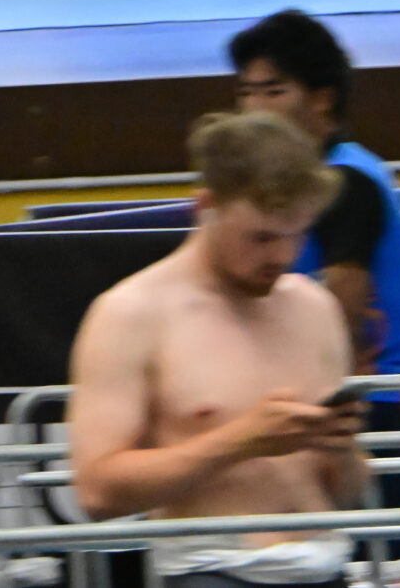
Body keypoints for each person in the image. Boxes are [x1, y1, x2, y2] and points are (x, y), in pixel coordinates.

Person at [68, 112, 365, 588]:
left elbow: (347, 494)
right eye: (262, 237)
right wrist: (240, 441)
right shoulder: (131, 314)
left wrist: (342, 449)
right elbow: (97, 492)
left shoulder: (315, 307)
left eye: (299, 233)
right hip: (212, 570)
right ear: (206, 206)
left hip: (326, 566)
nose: (283, 256)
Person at [228, 10, 400, 383]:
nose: (254, 109)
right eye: (246, 92)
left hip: (381, 393)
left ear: (322, 99)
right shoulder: (302, 178)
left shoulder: (346, 182)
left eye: (273, 92)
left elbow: (337, 320)